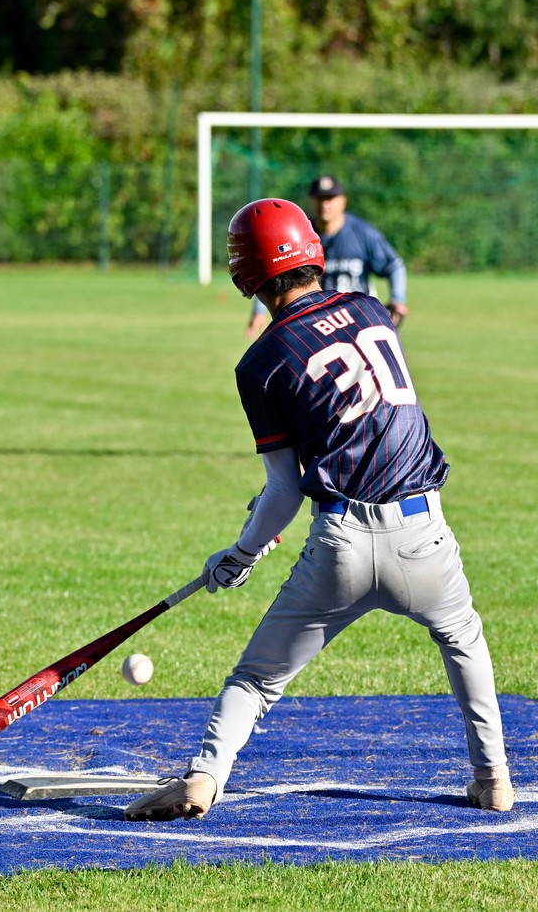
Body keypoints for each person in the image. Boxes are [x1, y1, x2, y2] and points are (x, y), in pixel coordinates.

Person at [125, 198, 510, 822]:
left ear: (244, 274)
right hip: (423, 530)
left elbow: (284, 489)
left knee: (255, 681)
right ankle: (492, 778)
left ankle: (203, 778)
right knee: (463, 639)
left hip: (342, 544)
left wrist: (241, 554)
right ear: (312, 249)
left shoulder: (259, 363)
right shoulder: (368, 308)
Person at [244, 175, 408, 338]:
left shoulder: (363, 233)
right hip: (317, 322)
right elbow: (276, 270)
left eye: (330, 198)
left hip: (357, 317)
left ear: (343, 201)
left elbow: (394, 266)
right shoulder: (298, 234)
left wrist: (397, 299)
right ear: (311, 200)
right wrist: (259, 311)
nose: (325, 204)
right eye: (320, 198)